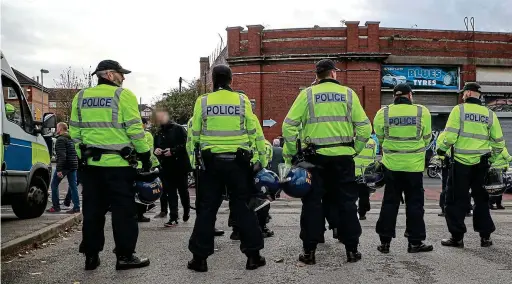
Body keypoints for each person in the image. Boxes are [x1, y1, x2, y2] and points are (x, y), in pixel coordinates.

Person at [282, 59, 371, 264]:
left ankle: (309, 252)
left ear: (317, 76)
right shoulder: (349, 94)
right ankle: (351, 250)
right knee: (347, 202)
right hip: (343, 158)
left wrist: (292, 154)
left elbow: (289, 127)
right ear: (333, 74)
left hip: (314, 159)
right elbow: (365, 129)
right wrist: (354, 149)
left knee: (312, 203)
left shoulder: (307, 95)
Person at [71, 59, 151, 270]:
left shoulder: (80, 97)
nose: (123, 77)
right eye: (120, 73)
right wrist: (145, 156)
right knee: (124, 212)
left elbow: (75, 133)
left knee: (92, 212)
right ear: (108, 74)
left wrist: (83, 157)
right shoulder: (123, 96)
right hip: (119, 166)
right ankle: (124, 256)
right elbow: (135, 131)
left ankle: (91, 256)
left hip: (92, 167)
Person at [187, 64, 266, 272]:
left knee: (206, 210)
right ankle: (253, 256)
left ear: (213, 80)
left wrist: (192, 162)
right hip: (239, 164)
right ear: (231, 81)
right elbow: (255, 131)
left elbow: (193, 134)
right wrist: (261, 159)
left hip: (210, 164)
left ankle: (199, 259)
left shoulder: (202, 101)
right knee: (243, 208)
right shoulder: (242, 101)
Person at [438, 82, 505, 248]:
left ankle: (457, 237)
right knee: (482, 200)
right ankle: (485, 237)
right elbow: (498, 142)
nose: (462, 96)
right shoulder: (489, 114)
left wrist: (441, 150)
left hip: (460, 163)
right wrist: (491, 159)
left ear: (468, 93)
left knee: (455, 200)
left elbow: (450, 137)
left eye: (463, 93)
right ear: (479, 95)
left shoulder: (459, 110)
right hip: (481, 164)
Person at [374, 83, 434, 254]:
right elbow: (427, 137)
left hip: (391, 166)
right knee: (415, 204)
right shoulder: (422, 112)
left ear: (394, 96)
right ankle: (415, 242)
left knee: (389, 203)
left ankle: (385, 242)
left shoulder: (383, 112)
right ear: (410, 95)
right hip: (414, 167)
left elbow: (380, 136)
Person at [185, 118, 225, 237]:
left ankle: (203, 227)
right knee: (211, 198)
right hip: (205, 161)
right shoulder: (206, 116)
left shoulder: (192, 120)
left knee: (202, 197)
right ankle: (206, 227)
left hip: (197, 161)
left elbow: (190, 142)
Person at [153, 110, 191, 227]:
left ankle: (186, 211)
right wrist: (157, 151)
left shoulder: (178, 129)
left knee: (183, 191)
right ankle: (173, 217)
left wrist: (173, 151)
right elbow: (156, 146)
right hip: (166, 166)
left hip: (179, 166)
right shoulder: (158, 133)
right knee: (170, 193)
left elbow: (186, 145)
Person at [47, 122, 80, 214]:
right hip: (73, 165)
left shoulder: (60, 140)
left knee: (54, 185)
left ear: (60, 129)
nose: (56, 130)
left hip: (65, 166)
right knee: (73, 187)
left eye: (57, 128)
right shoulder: (70, 139)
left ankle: (56, 206)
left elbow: (62, 156)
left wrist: (59, 169)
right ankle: (76, 207)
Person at [135, 118, 160, 222]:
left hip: (134, 165)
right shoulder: (147, 135)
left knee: (135, 191)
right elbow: (149, 150)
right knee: (143, 191)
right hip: (143, 166)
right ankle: (140, 214)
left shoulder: (133, 135)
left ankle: (137, 213)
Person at [354, 138, 377, 220]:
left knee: (351, 195)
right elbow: (374, 156)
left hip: (353, 172)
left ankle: (352, 213)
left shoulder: (353, 141)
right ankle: (362, 213)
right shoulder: (372, 142)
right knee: (364, 194)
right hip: (366, 173)